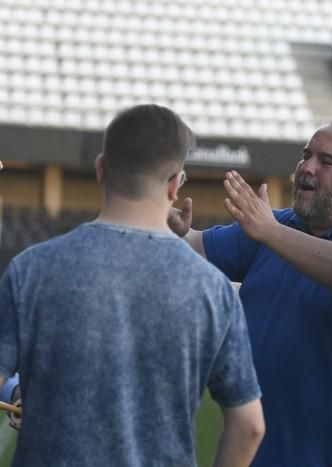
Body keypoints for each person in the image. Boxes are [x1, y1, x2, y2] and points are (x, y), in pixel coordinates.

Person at [0, 104, 264, 467]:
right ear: (174, 185)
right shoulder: (212, 289)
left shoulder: (29, 269)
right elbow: (249, 426)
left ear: (100, 170)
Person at [169, 121, 332, 467]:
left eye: (326, 161)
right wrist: (174, 229)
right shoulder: (275, 226)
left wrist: (271, 234)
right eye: (305, 155)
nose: (307, 168)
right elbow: (196, 249)